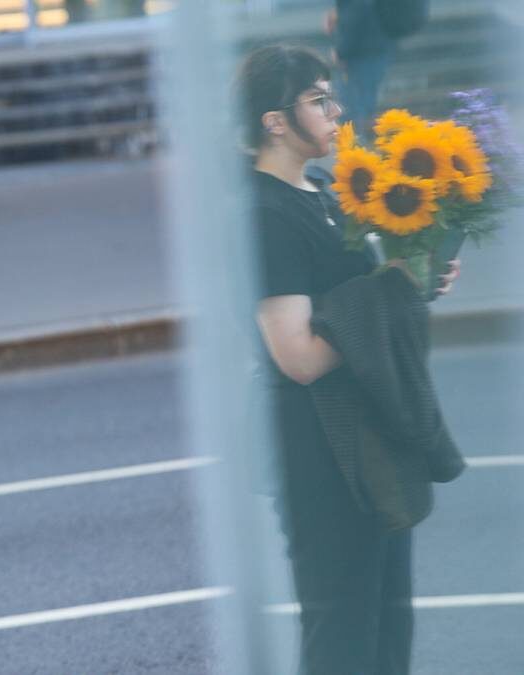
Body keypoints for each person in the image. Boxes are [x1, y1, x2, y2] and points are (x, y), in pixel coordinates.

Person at [237, 44, 458, 674]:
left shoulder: (329, 190)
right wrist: (392, 291)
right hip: (318, 444)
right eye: (317, 99)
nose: (336, 111)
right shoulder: (263, 213)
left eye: (331, 95)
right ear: (274, 121)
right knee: (341, 629)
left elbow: (374, 295)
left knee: (390, 621)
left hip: (370, 431)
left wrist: (421, 275)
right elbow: (299, 356)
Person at [326, 0, 396, 140]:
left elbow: (351, 27)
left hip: (362, 55)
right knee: (363, 98)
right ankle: (358, 136)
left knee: (355, 99)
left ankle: (356, 138)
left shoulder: (356, 5)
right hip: (372, 53)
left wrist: (340, 53)